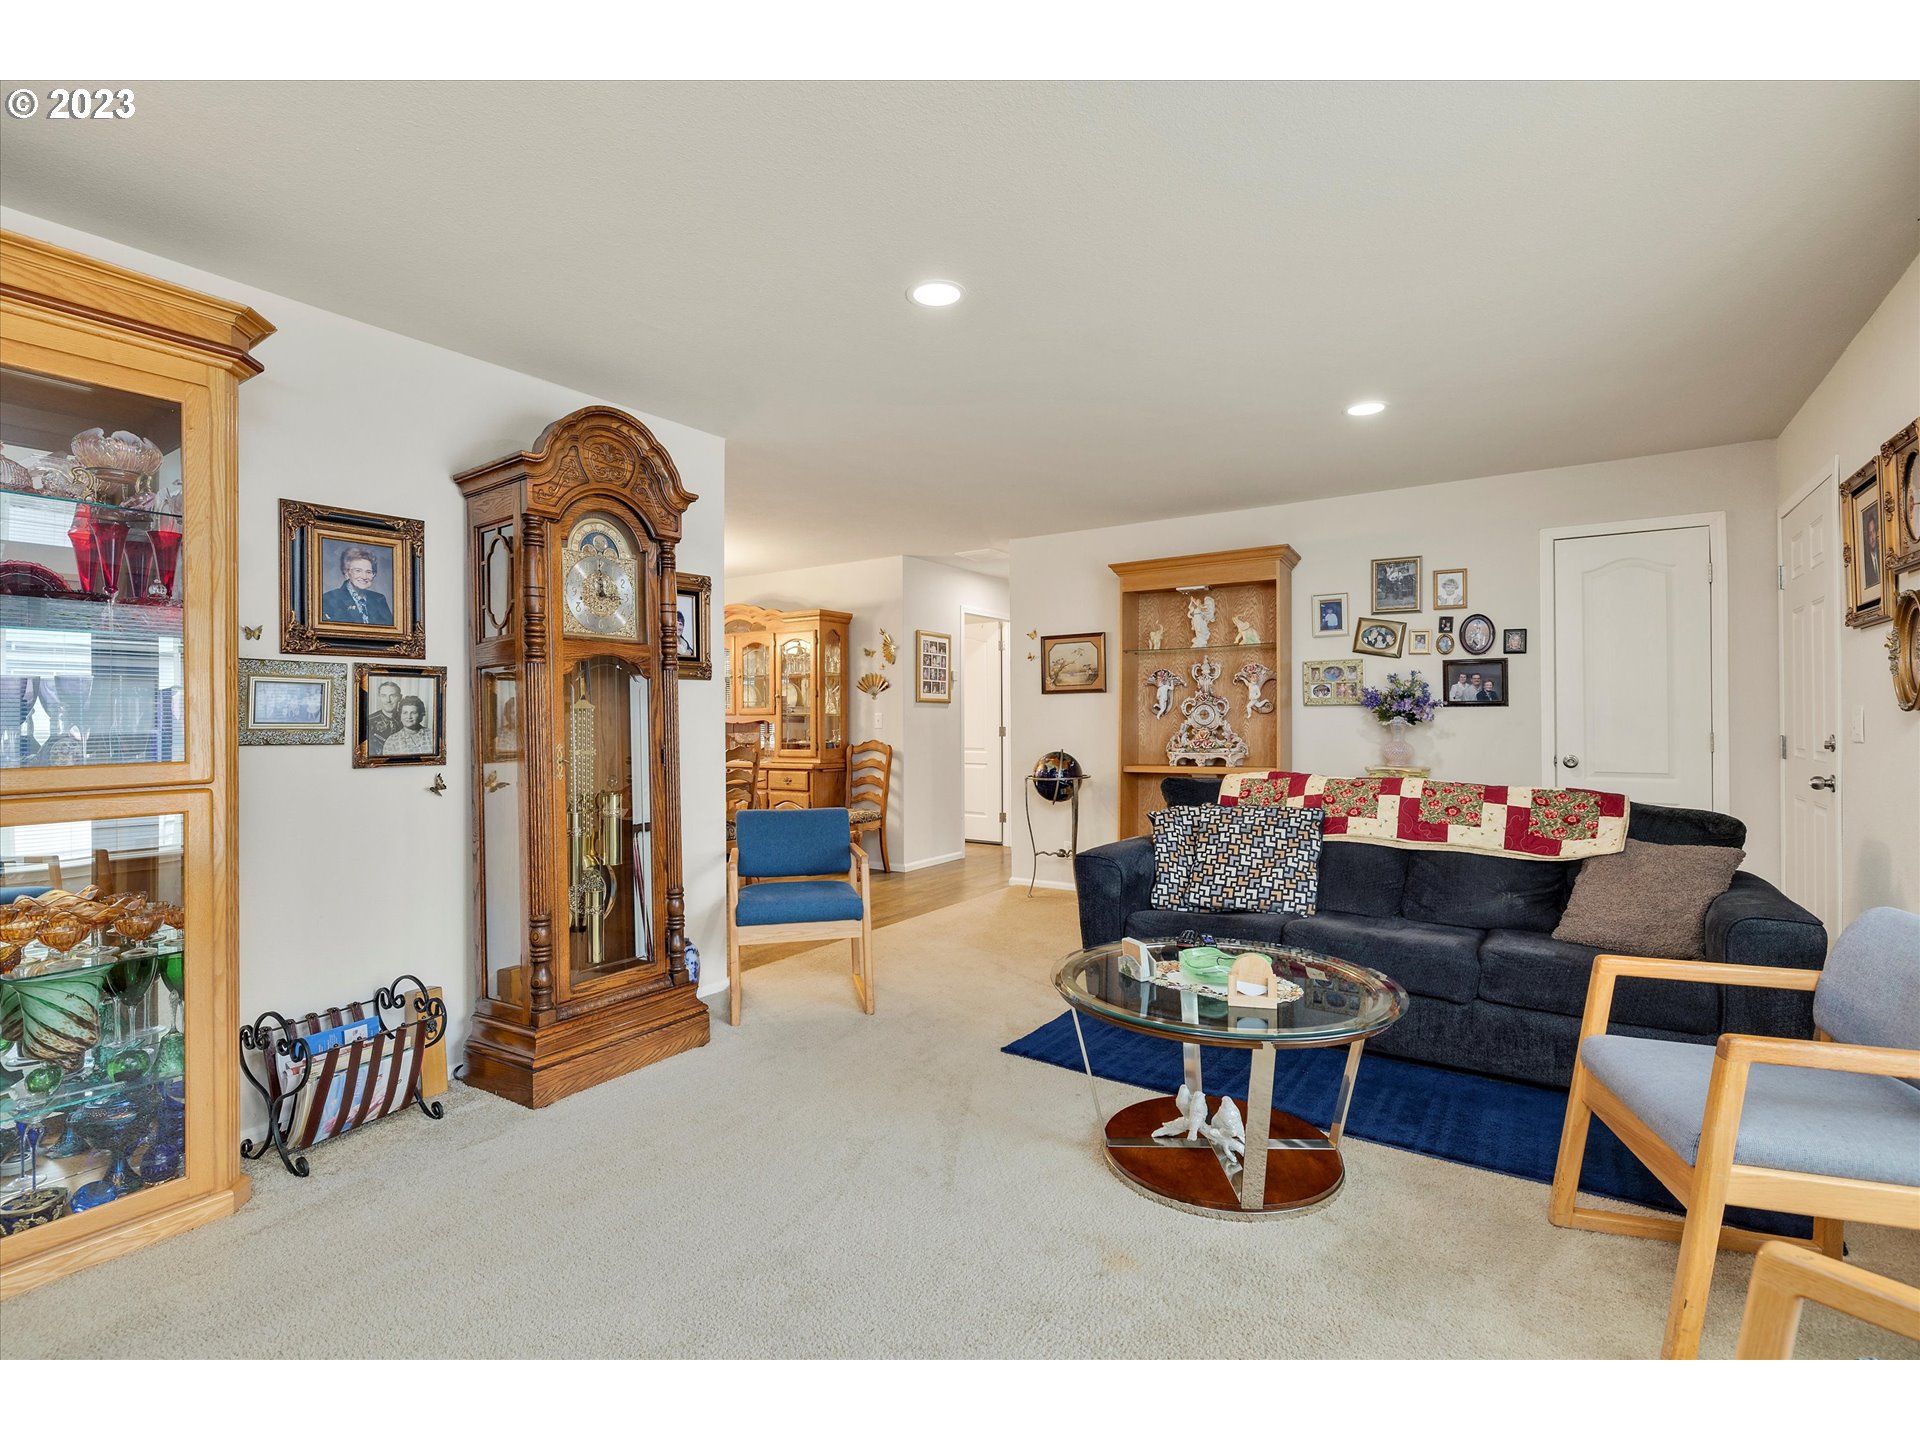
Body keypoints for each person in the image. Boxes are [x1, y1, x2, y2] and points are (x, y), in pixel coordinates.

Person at [321, 546, 394, 627]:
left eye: (369, 572)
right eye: (358, 571)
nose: (364, 576)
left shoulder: (379, 599)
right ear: (346, 573)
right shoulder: (329, 599)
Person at [366, 681, 402, 755]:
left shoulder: (408, 720)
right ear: (379, 698)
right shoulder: (368, 721)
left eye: (392, 696)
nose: (388, 700)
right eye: (383, 696)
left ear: (400, 697)